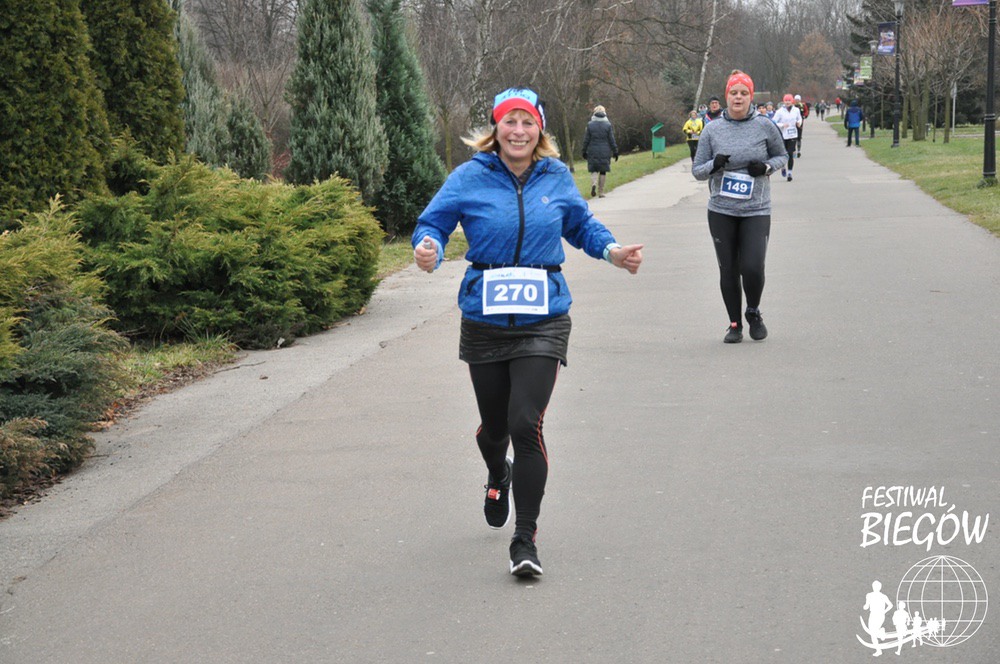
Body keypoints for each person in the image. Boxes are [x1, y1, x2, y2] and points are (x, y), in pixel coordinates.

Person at [412, 87, 643, 577]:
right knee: (496, 430)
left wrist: (612, 251)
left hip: (544, 318)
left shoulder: (555, 176)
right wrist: (428, 246)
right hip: (485, 320)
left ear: (540, 130)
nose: (518, 131)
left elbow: (581, 226)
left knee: (525, 423)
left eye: (527, 123)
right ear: (495, 129)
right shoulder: (469, 176)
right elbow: (433, 223)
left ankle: (525, 539)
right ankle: (498, 472)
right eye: (509, 122)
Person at [693, 70, 787, 343]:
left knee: (753, 267)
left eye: (744, 93)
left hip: (756, 209)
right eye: (733, 93)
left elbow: (782, 155)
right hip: (721, 210)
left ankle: (753, 312)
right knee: (729, 269)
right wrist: (714, 165)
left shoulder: (764, 126)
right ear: (726, 96)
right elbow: (697, 170)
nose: (738, 97)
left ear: (750, 97)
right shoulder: (712, 130)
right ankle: (734, 324)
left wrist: (766, 167)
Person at [582, 104, 619, 197]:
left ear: (594, 113)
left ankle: (593, 184)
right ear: (604, 113)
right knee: (603, 171)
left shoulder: (590, 125)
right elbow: (611, 140)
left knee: (594, 169)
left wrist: (584, 151)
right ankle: (601, 192)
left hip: (592, 150)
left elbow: (586, 140)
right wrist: (615, 151)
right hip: (604, 150)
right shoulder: (608, 125)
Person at [771, 94, 802, 181]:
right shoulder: (780, 111)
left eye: (789, 100)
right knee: (783, 154)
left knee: (790, 153)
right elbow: (773, 122)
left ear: (792, 101)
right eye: (786, 100)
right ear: (783, 101)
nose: (787, 102)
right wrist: (782, 125)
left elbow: (799, 119)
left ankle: (790, 173)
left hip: (792, 134)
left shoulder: (796, 110)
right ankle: (783, 167)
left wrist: (799, 123)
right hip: (783, 135)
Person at [864, 580, 894, 657]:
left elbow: (866, 606)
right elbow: (890, 605)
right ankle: (878, 649)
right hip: (877, 614)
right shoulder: (877, 596)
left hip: (876, 614)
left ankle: (881, 632)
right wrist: (884, 611)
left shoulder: (871, 595)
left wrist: (884, 611)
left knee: (873, 633)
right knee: (872, 633)